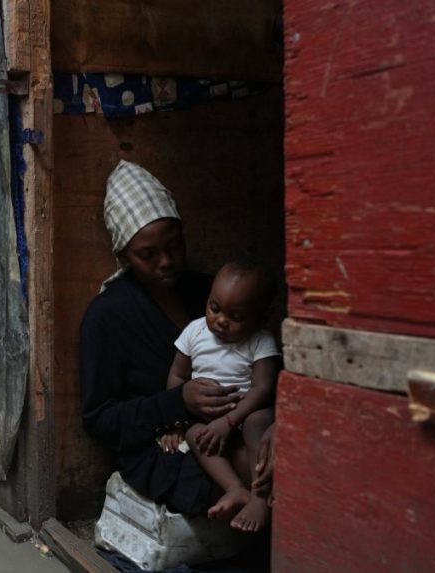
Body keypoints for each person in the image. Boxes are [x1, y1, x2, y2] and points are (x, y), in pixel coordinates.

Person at [80, 160, 244, 516]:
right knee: (225, 475)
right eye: (147, 255)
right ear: (124, 253)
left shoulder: (210, 293)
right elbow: (99, 420)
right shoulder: (107, 316)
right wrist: (176, 403)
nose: (166, 262)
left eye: (174, 246)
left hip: (236, 423)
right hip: (160, 448)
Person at [160, 259, 279, 532]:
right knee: (194, 434)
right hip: (208, 420)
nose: (221, 321)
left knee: (257, 422)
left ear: (263, 315)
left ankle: (260, 497)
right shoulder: (195, 331)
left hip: (244, 416)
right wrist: (174, 422)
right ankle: (236, 489)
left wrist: (230, 421)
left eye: (236, 317)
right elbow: (177, 376)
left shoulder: (261, 340)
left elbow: (263, 388)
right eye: (215, 308)